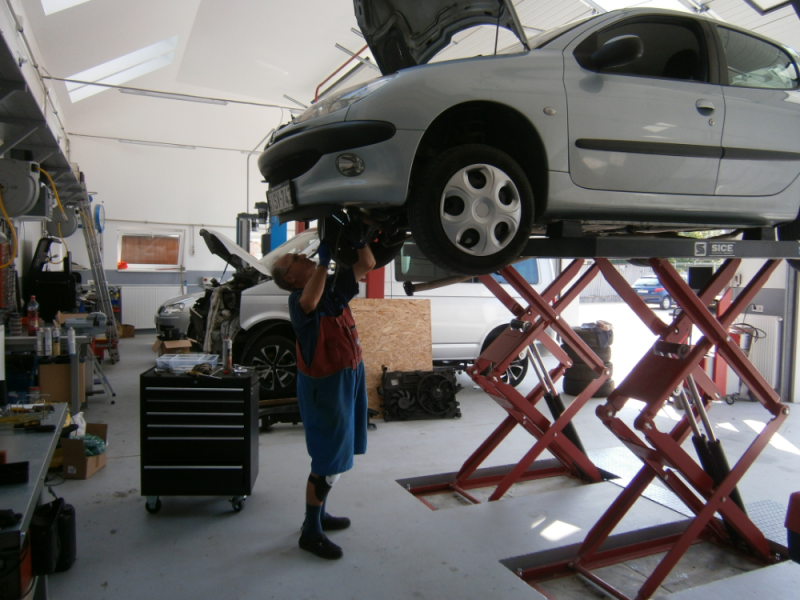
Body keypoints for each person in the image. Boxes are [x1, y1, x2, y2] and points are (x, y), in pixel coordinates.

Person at [271, 235, 375, 560]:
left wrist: (359, 239)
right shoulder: (298, 300)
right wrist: (324, 262)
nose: (302, 257)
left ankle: (319, 514)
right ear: (290, 277)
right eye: (295, 259)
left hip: (350, 375)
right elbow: (309, 302)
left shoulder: (331, 290)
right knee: (327, 462)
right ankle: (311, 532)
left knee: (338, 456)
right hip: (326, 387)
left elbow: (368, 263)